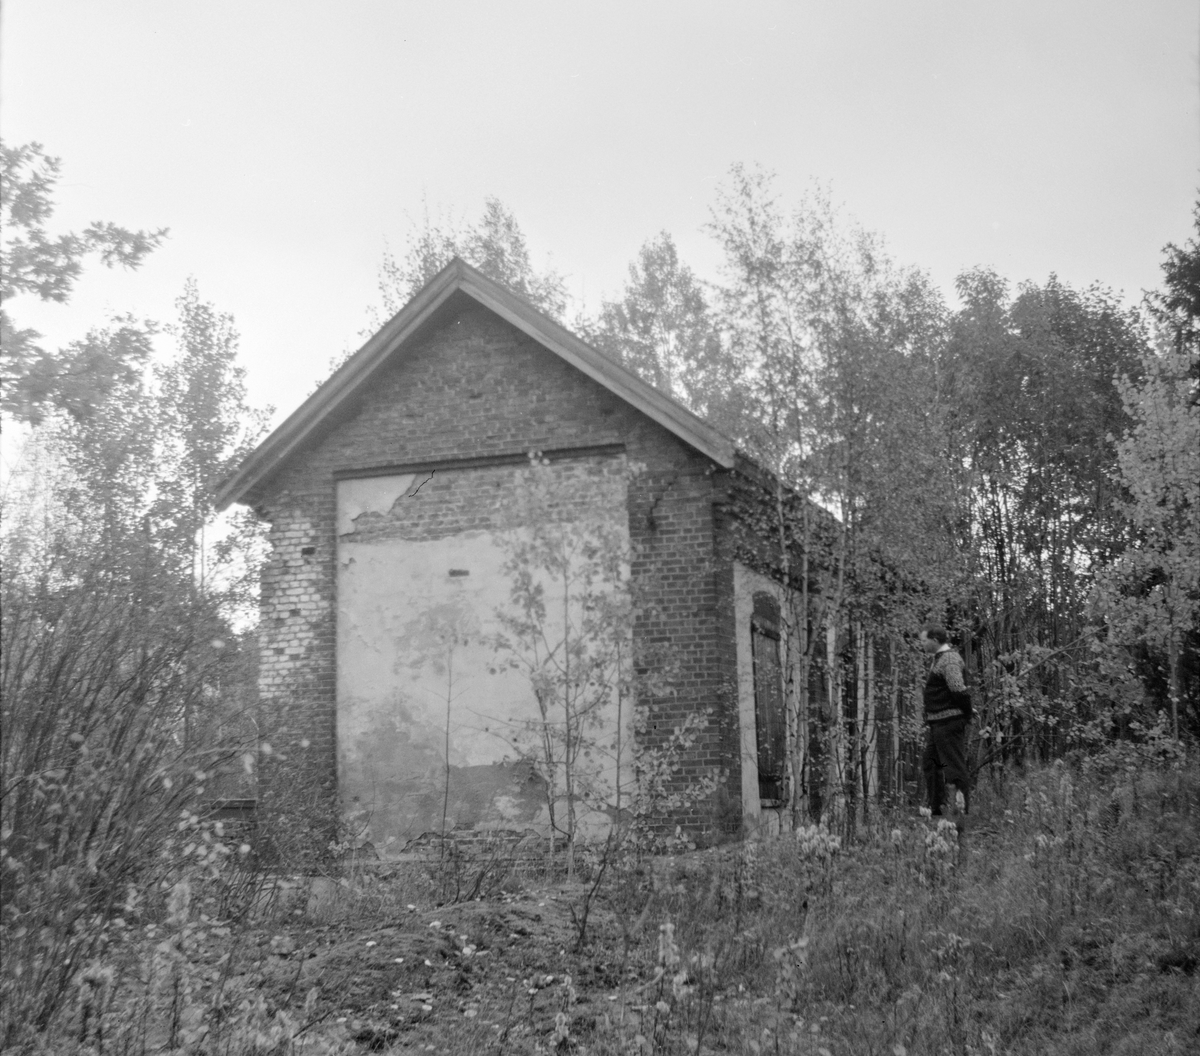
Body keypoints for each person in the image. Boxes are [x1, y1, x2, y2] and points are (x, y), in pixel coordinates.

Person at [919, 624, 972, 820]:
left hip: (949, 723)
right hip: (938, 724)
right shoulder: (939, 659)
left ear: (934, 640)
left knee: (954, 766)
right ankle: (937, 808)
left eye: (924, 640)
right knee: (930, 763)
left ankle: (961, 814)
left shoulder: (949, 659)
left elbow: (958, 689)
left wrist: (967, 713)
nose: (922, 644)